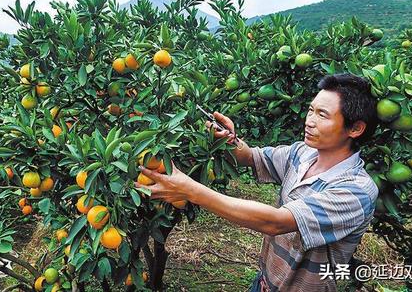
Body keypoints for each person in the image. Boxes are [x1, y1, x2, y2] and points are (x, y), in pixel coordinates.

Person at [136, 73, 379, 292]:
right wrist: (230, 140)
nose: (309, 121)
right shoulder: (302, 153)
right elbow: (252, 156)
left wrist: (188, 189)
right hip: (263, 283)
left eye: (322, 114)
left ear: (355, 128)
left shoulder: (356, 191)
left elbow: (276, 222)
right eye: (310, 110)